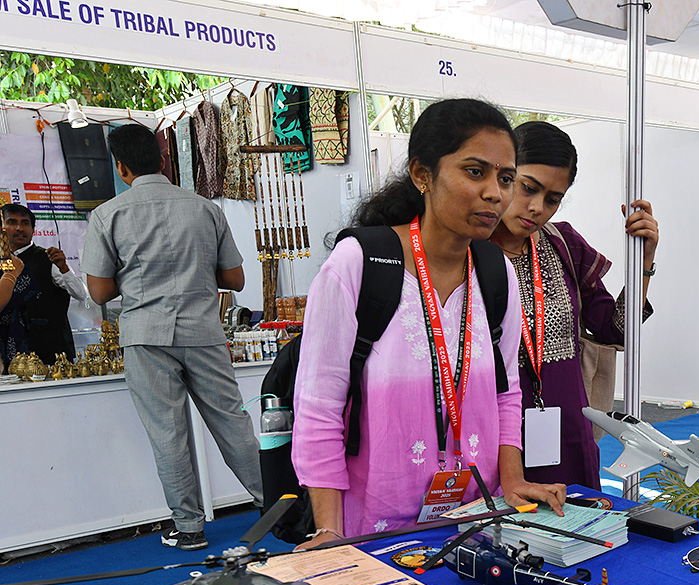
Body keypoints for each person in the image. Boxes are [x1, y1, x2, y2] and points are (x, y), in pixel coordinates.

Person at [292, 99, 566, 548]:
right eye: (475, 172)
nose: (495, 194)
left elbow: (506, 391)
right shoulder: (359, 264)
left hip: (477, 520)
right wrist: (328, 529)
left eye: (505, 178)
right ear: (422, 174)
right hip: (374, 530)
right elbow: (319, 407)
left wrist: (512, 480)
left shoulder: (496, 273)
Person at [84, 123, 263, 551]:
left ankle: (189, 529)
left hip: (146, 335)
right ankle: (276, 503)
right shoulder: (205, 209)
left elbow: (99, 291)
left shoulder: (107, 215)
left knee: (168, 432)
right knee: (233, 421)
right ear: (164, 160)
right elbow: (235, 279)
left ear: (121, 167)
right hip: (203, 330)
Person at [487, 120, 658, 489]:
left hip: (566, 429)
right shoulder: (467, 254)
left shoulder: (562, 244)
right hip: (494, 434)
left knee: (580, 533)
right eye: (527, 188)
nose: (536, 208)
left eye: (552, 198)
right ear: (503, 176)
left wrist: (643, 262)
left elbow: (616, 329)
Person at [2, 202, 92, 365]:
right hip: (9, 354)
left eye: (25, 223)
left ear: (33, 230)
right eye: (12, 222)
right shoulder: (2, 261)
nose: (19, 228)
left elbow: (81, 294)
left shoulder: (49, 258)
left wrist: (64, 268)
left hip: (50, 354)